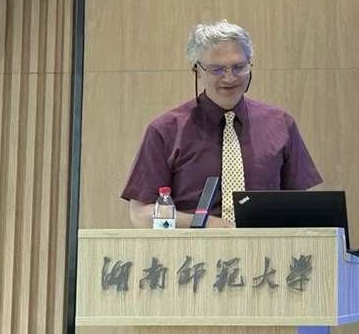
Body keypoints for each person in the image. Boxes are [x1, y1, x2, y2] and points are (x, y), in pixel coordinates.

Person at [121, 20, 322, 228]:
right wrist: (203, 224)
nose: (229, 78)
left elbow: (301, 208)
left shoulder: (281, 124)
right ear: (197, 71)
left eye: (239, 67)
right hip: (192, 247)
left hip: (265, 247)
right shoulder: (165, 130)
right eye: (217, 69)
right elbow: (141, 214)